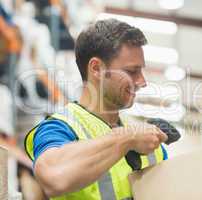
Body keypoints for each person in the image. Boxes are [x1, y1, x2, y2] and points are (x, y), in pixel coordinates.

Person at [24, 19, 168, 200]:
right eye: (132, 71)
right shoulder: (60, 128)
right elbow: (54, 177)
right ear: (97, 68)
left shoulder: (149, 141)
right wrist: (127, 138)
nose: (142, 82)